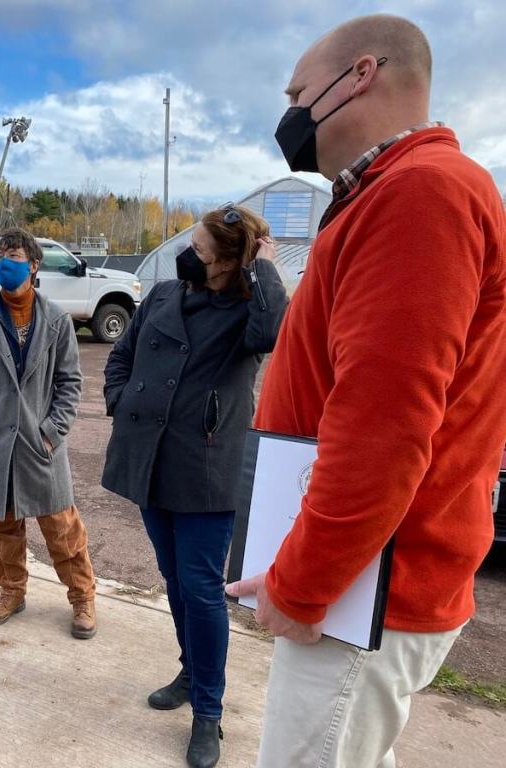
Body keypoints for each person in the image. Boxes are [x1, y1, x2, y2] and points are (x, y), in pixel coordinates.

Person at [224, 14, 506, 768]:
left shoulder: (421, 194)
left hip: (366, 588)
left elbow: (384, 428)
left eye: (297, 93)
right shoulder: (391, 192)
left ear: (360, 75)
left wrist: (305, 583)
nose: (288, 112)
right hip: (360, 580)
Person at [102, 205, 287, 767]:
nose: (189, 256)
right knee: (174, 579)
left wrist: (265, 267)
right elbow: (122, 354)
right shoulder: (163, 294)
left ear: (231, 261)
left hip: (204, 464)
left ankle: (209, 711)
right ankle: (190, 671)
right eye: (192, 244)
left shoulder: (247, 308)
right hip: (148, 457)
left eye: (202, 251)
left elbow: (274, 332)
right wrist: (120, 401)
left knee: (202, 589)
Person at [0, 227, 97, 639]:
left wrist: (52, 432)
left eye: (14, 257)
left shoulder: (57, 321)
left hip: (41, 444)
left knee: (62, 528)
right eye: (0, 256)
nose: (5, 264)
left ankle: (82, 597)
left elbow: (70, 383)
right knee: (2, 530)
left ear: (34, 266)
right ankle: (11, 592)